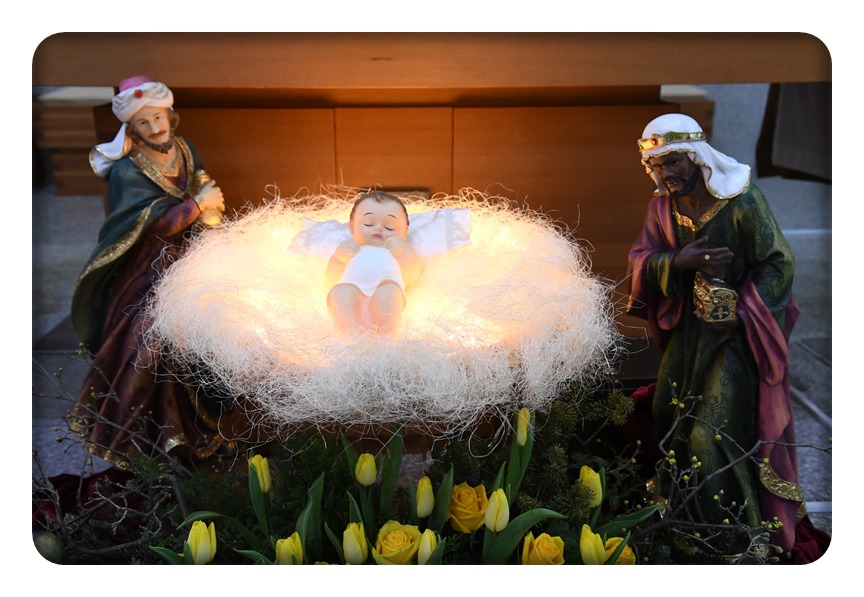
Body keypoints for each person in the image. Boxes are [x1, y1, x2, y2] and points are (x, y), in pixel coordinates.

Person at [625, 113, 817, 559]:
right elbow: (640, 258)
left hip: (738, 339)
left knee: (707, 435)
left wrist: (740, 312)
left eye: (673, 162)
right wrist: (680, 262)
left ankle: (727, 539)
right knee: (668, 415)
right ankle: (684, 524)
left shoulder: (742, 201)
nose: (665, 174)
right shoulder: (662, 208)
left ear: (697, 157)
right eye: (657, 166)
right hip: (689, 335)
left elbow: (779, 264)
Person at [69, 76, 232, 470]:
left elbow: (199, 178)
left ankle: (199, 435)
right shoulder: (127, 171)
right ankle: (147, 444)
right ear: (131, 128)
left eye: (158, 117)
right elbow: (154, 225)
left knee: (205, 335)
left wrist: (209, 202)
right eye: (144, 122)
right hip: (149, 267)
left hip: (190, 257)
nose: (155, 127)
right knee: (151, 342)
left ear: (169, 115)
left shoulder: (182, 147)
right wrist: (197, 205)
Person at [326, 191, 422, 333]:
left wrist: (405, 253)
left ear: (404, 232)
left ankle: (385, 337)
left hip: (385, 287)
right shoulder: (353, 250)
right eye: (368, 223)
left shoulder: (395, 251)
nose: (378, 228)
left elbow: (411, 276)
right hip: (353, 287)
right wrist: (339, 257)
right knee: (340, 291)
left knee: (388, 292)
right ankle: (350, 335)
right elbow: (332, 278)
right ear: (352, 227)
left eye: (389, 226)